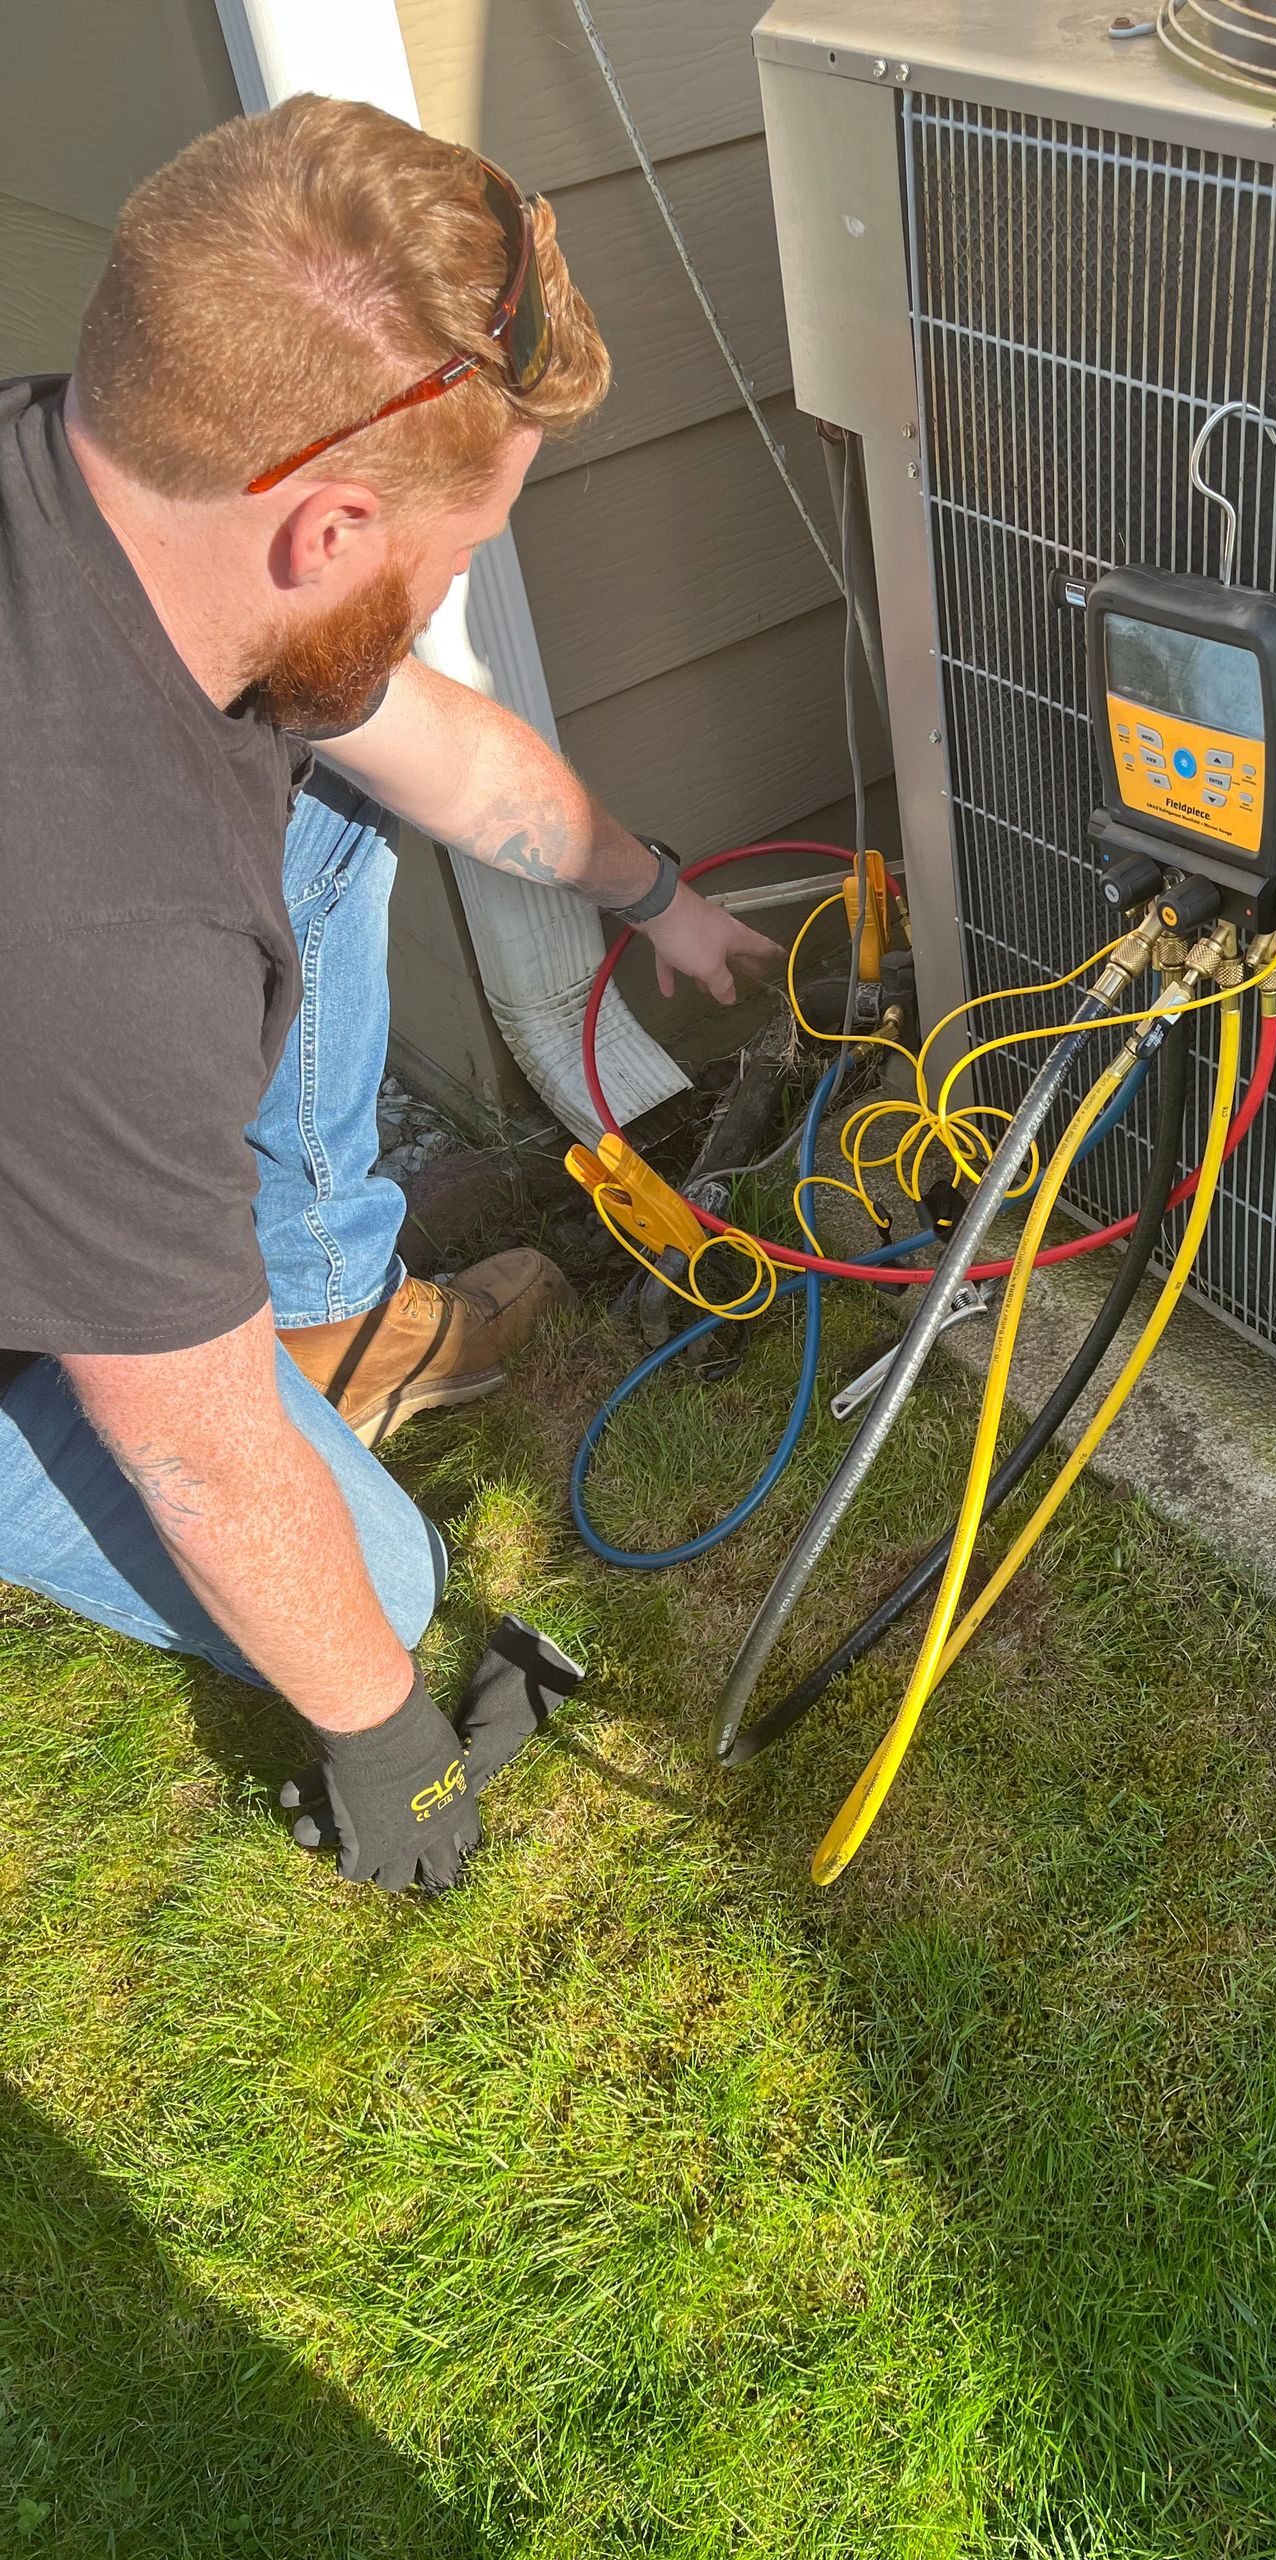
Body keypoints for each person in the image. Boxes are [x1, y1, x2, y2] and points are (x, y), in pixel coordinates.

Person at [0, 95, 782, 1889]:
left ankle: (323, 1313)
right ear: (329, 529)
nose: (443, 600)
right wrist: (388, 1737)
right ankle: (259, 1352)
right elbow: (189, 1453)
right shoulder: (91, 929)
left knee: (335, 784)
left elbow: (435, 754)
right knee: (384, 1584)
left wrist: (656, 895)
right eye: (448, 562)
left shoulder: (109, 487)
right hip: (49, 1248)